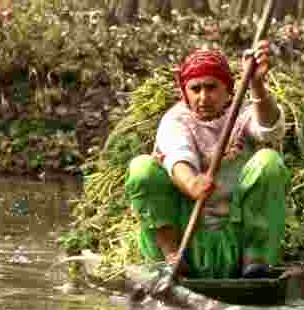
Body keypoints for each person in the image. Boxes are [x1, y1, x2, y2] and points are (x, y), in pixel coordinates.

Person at [124, 41, 289, 279]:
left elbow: (270, 130)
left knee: (269, 161)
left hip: (238, 232)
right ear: (185, 92)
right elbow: (177, 158)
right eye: (196, 89)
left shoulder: (243, 112)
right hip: (187, 234)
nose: (203, 97)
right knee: (141, 169)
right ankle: (171, 258)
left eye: (212, 87)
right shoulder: (176, 119)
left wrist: (257, 85)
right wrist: (192, 184)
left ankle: (255, 259)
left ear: (228, 90)